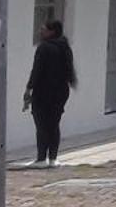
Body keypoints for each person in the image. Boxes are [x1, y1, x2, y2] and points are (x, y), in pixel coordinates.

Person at [23, 20, 76, 168]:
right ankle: (53, 158)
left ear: (51, 32)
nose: (41, 32)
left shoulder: (44, 48)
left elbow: (37, 70)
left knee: (41, 124)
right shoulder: (65, 47)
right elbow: (70, 71)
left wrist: (28, 89)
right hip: (61, 92)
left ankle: (41, 158)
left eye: (44, 29)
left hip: (43, 91)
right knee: (54, 124)